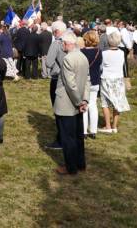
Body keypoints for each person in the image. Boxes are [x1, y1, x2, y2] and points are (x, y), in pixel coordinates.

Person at [53, 32, 90, 175]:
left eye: (62, 43)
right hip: (78, 102)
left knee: (68, 137)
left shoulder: (68, 59)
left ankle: (71, 167)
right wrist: (84, 100)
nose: (62, 45)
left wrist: (80, 102)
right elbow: (87, 80)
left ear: (68, 43)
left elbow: (70, 84)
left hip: (68, 104)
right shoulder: (83, 57)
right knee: (78, 136)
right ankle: (80, 163)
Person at [98, 31, 130, 134]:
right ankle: (114, 126)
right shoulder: (122, 53)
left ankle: (108, 126)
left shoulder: (103, 53)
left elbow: (101, 67)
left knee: (105, 103)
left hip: (106, 79)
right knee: (117, 103)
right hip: (118, 79)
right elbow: (124, 66)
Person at [45, 20, 67, 149]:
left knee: (58, 110)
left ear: (56, 31)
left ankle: (60, 140)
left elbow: (48, 62)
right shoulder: (74, 39)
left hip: (58, 78)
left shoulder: (57, 43)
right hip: (73, 78)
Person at [80, 31, 102, 139]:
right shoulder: (99, 52)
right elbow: (100, 67)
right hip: (95, 80)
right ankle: (93, 131)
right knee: (93, 105)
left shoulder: (81, 52)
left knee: (84, 105)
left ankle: (83, 131)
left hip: (84, 81)